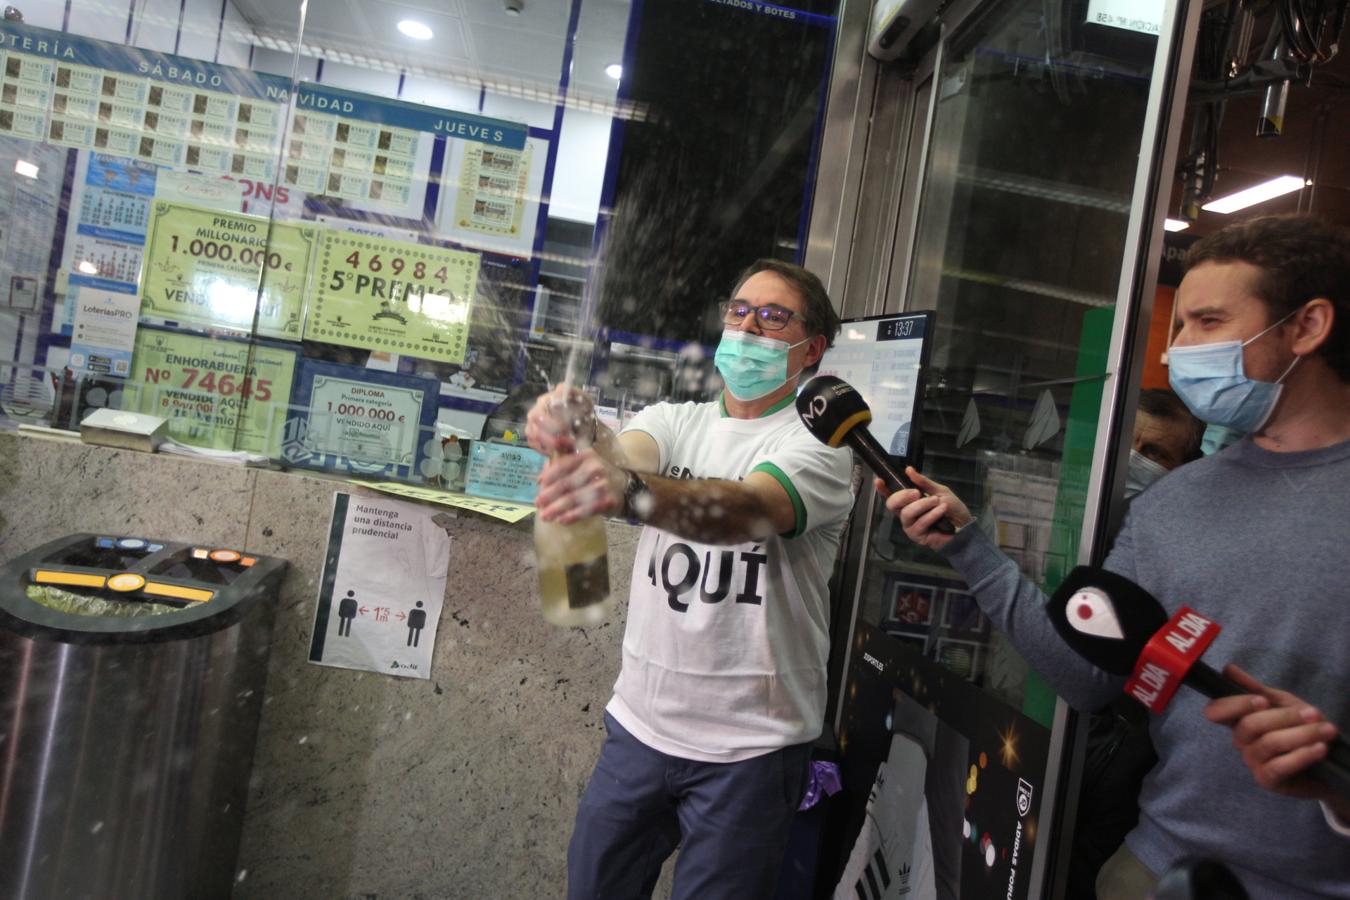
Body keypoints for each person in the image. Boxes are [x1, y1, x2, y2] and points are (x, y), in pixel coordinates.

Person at [880, 215, 1350, 898]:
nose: (1178, 350)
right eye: (1180, 325)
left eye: (1209, 322)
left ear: (1307, 327)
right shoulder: (1175, 502)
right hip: (1158, 867)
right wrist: (966, 544)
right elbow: (1086, 675)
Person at [526, 259, 855, 900]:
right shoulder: (677, 419)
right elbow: (623, 458)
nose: (748, 326)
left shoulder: (820, 447)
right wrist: (578, 431)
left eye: (773, 316)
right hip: (641, 729)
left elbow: (745, 511)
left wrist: (625, 491)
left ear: (810, 348)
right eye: (739, 310)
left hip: (752, 749)